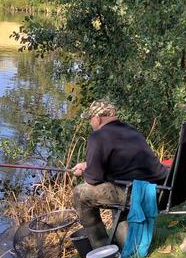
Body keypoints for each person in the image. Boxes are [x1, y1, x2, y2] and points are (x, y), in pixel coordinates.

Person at [71, 99, 168, 249]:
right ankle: (125, 240)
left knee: (79, 193)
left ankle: (102, 247)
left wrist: (83, 173)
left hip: (138, 193)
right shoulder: (130, 129)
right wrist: (87, 165)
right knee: (111, 188)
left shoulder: (98, 137)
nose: (90, 123)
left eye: (90, 119)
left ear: (97, 118)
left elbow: (93, 179)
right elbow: (122, 163)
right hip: (161, 189)